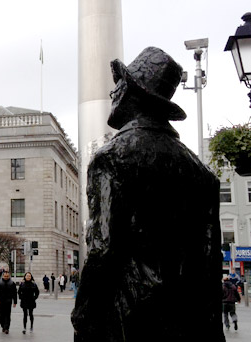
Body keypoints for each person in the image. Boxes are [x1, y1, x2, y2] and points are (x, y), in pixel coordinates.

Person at [72, 47, 224, 341]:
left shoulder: (112, 158)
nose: (112, 92)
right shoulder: (201, 173)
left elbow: (103, 248)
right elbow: (210, 259)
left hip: (130, 318)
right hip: (188, 322)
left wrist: (84, 316)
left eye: (119, 84)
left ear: (132, 93)